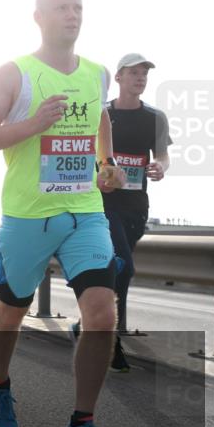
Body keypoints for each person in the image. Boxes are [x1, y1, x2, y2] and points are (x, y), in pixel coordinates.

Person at [0, 0, 127, 427]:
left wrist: (107, 163)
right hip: (27, 217)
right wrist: (33, 124)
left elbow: (100, 121)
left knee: (102, 314)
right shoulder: (16, 73)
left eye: (79, 7)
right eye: (62, 7)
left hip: (85, 212)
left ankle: (81, 426)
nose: (73, 15)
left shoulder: (98, 74)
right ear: (38, 17)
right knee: (9, 315)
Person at [71, 53, 172, 372]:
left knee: (118, 272)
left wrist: (160, 167)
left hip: (136, 207)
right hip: (103, 205)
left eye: (144, 73)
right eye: (133, 73)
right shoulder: (102, 113)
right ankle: (111, 342)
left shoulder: (155, 118)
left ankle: (88, 324)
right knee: (123, 267)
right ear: (118, 78)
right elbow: (84, 151)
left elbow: (164, 156)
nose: (140, 78)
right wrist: (101, 174)